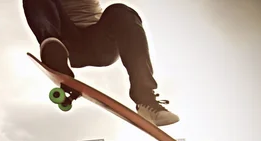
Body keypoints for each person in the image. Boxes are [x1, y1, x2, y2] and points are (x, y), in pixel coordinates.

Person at [22, 0, 179, 127]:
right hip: (67, 47)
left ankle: (146, 99)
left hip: (101, 45)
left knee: (121, 11)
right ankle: (52, 49)